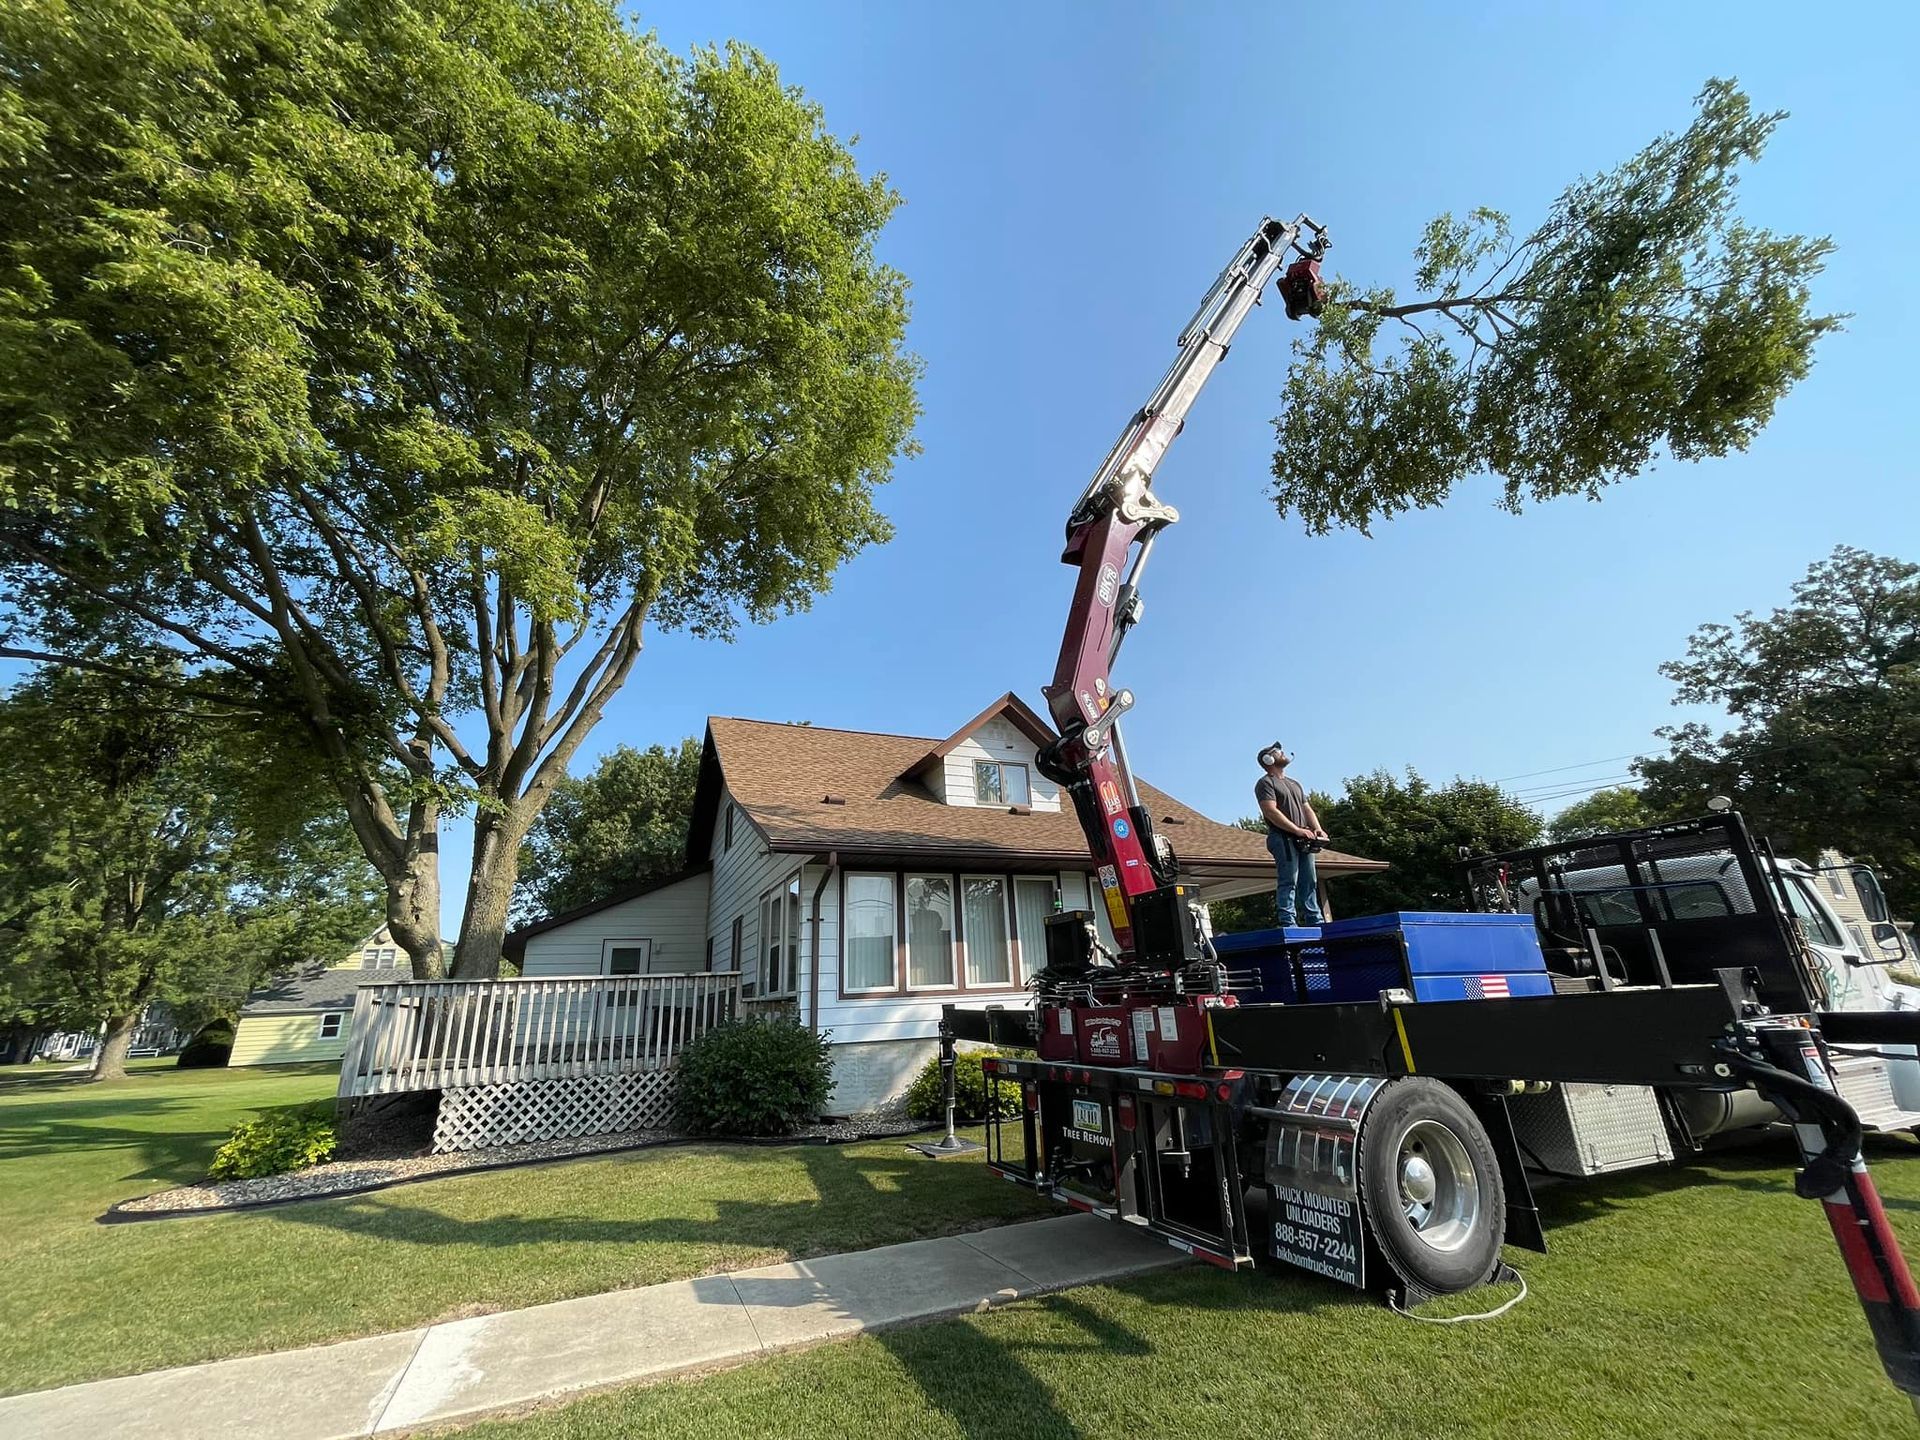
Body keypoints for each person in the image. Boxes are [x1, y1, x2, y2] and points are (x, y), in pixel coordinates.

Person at [1255, 742, 1327, 927]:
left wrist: (1316, 828)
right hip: (1282, 837)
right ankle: (1288, 921)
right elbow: (1271, 811)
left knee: (1309, 880)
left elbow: (1307, 809)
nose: (1283, 753)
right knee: (1289, 879)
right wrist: (1296, 829)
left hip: (1303, 838)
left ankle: (1314, 919)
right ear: (1268, 759)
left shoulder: (1294, 784)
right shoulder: (1265, 783)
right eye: (1278, 752)